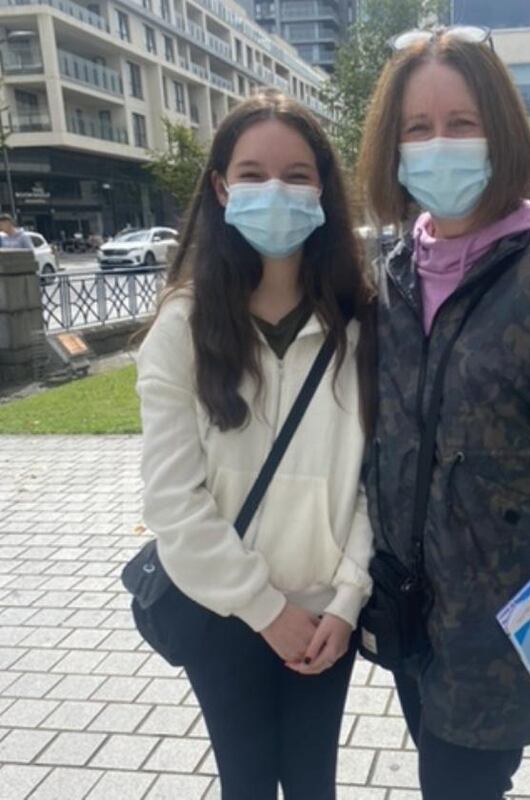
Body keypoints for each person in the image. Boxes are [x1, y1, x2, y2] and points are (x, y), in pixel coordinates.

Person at [358, 27, 530, 800]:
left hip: (506, 614)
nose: (438, 144)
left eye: (461, 122)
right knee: (441, 770)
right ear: (394, 146)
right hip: (409, 599)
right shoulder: (393, 273)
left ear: (499, 131)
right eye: (418, 128)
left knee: (461, 785)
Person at [135, 91, 375, 800]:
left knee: (313, 787)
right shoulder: (183, 329)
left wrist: (348, 599)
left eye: (298, 174)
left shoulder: (359, 325)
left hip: (326, 618)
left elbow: (374, 481)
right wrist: (265, 611)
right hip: (225, 612)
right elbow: (173, 503)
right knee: (245, 785)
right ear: (219, 186)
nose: (276, 191)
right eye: (252, 173)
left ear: (324, 189)